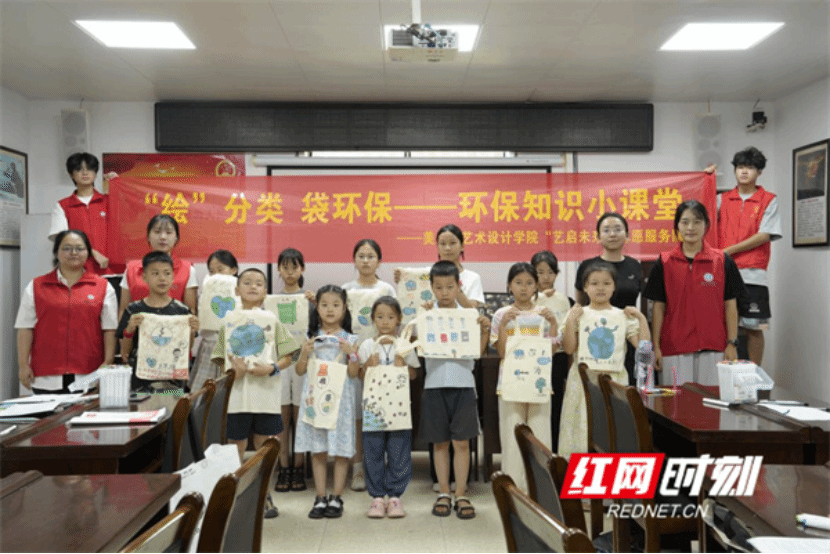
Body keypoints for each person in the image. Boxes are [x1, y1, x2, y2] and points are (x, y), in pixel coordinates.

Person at [210, 268, 299, 519]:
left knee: (265, 446)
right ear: (237, 290)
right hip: (236, 396)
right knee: (234, 447)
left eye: (258, 283)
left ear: (265, 291)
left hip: (266, 395)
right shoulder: (228, 321)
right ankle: (234, 494)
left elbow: (290, 354)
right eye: (247, 282)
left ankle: (263, 494)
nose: (252, 286)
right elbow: (219, 359)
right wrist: (232, 372)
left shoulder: (272, 319)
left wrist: (271, 369)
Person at [644, 200, 744, 385]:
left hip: (715, 348)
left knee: (711, 402)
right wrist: (656, 347)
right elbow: (658, 308)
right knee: (675, 402)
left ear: (706, 225)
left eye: (697, 222)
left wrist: (732, 343)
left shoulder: (722, 261)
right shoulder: (664, 262)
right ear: (677, 226)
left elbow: (731, 305)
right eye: (685, 222)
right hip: (674, 349)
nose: (691, 227)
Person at [420, 261, 489, 520]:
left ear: (459, 286)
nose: (445, 292)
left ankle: (461, 493)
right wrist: (423, 317)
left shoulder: (469, 316)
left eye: (450, 287)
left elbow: (478, 352)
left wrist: (484, 330)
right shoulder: (427, 315)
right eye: (439, 287)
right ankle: (444, 492)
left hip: (463, 384)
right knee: (440, 442)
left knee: (461, 442)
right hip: (434, 384)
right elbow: (418, 346)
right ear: (432, 288)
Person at [559, 262, 650, 459]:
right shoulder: (577, 314)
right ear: (585, 287)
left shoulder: (623, 316)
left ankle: (610, 475)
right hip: (583, 382)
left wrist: (641, 319)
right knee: (582, 429)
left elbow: (644, 352)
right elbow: (569, 349)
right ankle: (581, 474)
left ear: (614, 286)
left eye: (606, 283)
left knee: (613, 430)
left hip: (614, 382)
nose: (600, 288)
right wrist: (571, 321)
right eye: (594, 283)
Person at [15, 230, 117, 393]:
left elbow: (110, 329)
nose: (73, 253)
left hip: (88, 374)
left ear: (88, 253)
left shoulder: (103, 287)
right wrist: (23, 365)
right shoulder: (37, 286)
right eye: (67, 248)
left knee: (83, 409)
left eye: (79, 248)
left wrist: (107, 363)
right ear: (56, 252)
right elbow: (25, 327)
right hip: (45, 376)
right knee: (47, 410)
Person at [491, 262, 559, 491]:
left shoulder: (543, 314)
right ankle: (513, 490)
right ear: (509, 285)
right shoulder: (501, 314)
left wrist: (553, 324)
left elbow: (551, 351)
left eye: (529, 283)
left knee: (540, 436)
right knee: (511, 436)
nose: (523, 287)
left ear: (536, 286)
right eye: (518, 282)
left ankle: (541, 490)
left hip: (538, 383)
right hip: (511, 383)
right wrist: (503, 326)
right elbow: (501, 353)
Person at [294, 285, 360, 519]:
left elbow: (354, 373)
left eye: (335, 305)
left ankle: (336, 497)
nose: (330, 310)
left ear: (344, 308)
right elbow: (300, 371)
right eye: (324, 305)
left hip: (341, 403)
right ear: (317, 308)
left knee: (341, 451)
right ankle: (320, 497)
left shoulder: (351, 338)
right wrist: (304, 352)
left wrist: (352, 353)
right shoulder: (310, 337)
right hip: (315, 401)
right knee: (318, 449)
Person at [716, 147, 781, 366]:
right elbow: (701, 215)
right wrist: (706, 178)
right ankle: (725, 373)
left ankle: (755, 374)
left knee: (754, 327)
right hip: (723, 273)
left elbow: (764, 235)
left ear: (759, 172)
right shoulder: (721, 199)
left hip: (753, 275)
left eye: (750, 168)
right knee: (723, 327)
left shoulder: (768, 200)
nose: (744, 172)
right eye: (740, 167)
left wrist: (729, 250)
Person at [358, 296, 420, 518]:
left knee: (399, 450)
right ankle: (376, 497)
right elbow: (360, 375)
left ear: (399, 319)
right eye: (380, 317)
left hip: (398, 409)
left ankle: (395, 497)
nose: (385, 322)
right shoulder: (367, 345)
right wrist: (367, 365)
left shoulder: (403, 345)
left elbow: (413, 375)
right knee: (372, 450)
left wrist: (403, 366)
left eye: (390, 317)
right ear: (373, 319)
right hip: (373, 409)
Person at [343, 238, 396, 491]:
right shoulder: (345, 289)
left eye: (371, 256)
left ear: (379, 261)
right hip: (354, 357)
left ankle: (380, 466)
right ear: (354, 261)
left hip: (382, 360)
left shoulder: (386, 289)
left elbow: (396, 321)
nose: (365, 261)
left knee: (382, 416)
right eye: (361, 256)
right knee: (357, 417)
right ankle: (357, 470)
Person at [574, 212, 644, 385]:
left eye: (618, 229)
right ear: (598, 237)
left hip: (628, 337)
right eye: (606, 230)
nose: (612, 234)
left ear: (627, 235)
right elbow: (579, 305)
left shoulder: (634, 266)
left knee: (625, 389)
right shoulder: (587, 266)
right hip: (595, 340)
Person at [116, 251, 199, 391]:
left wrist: (191, 331)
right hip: (141, 379)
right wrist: (129, 330)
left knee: (171, 405)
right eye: (155, 273)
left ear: (173, 277)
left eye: (167, 273)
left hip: (172, 379)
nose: (162, 278)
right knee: (142, 405)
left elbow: (185, 349)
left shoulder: (182, 311)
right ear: (144, 277)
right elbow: (125, 352)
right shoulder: (134, 310)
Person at [49, 153, 124, 279]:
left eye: (89, 168)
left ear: (95, 173)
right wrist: (92, 252)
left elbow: (130, 219)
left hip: (114, 272)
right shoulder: (63, 206)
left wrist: (118, 185)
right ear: (71, 174)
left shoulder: (109, 201)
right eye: (79, 169)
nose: (85, 173)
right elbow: (62, 239)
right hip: (80, 273)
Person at [274, 248, 312, 493]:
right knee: (282, 418)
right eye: (285, 267)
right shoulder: (271, 301)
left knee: (300, 416)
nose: (289, 272)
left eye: (294, 267)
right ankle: (283, 466)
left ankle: (299, 466)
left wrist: (316, 303)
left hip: (302, 361)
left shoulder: (309, 299)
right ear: (278, 270)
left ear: (302, 269)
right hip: (280, 361)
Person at [531, 250, 574, 451]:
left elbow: (567, 332)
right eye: (540, 272)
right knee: (536, 405)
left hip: (557, 358)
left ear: (556, 274)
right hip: (533, 358)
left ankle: (555, 450)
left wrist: (570, 361)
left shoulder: (564, 300)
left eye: (550, 272)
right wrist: (539, 297)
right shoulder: (528, 297)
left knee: (556, 404)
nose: (545, 277)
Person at [119, 214, 197, 319]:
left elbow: (191, 312)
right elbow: (123, 310)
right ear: (148, 236)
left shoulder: (188, 270)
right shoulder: (131, 269)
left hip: (174, 328)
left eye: (168, 232)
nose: (163, 237)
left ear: (176, 237)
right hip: (139, 328)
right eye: (157, 232)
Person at [189, 250, 239, 392]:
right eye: (212, 271)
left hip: (233, 349)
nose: (216, 275)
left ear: (234, 270)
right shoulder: (206, 292)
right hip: (210, 346)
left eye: (220, 269)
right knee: (204, 392)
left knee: (231, 392)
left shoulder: (242, 290)